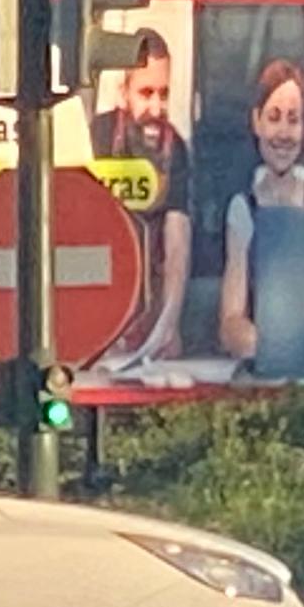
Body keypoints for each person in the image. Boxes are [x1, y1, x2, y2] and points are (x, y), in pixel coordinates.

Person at [212, 58, 304, 379]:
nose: (283, 132)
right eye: (274, 118)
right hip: (263, 374)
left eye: (293, 120)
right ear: (257, 122)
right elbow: (230, 321)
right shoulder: (243, 208)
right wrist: (260, 346)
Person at [99, 31, 195, 367]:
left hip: (148, 290)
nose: (157, 107)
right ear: (123, 94)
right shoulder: (96, 136)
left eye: (164, 94)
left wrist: (169, 324)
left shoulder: (175, 149)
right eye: (146, 93)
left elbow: (178, 239)